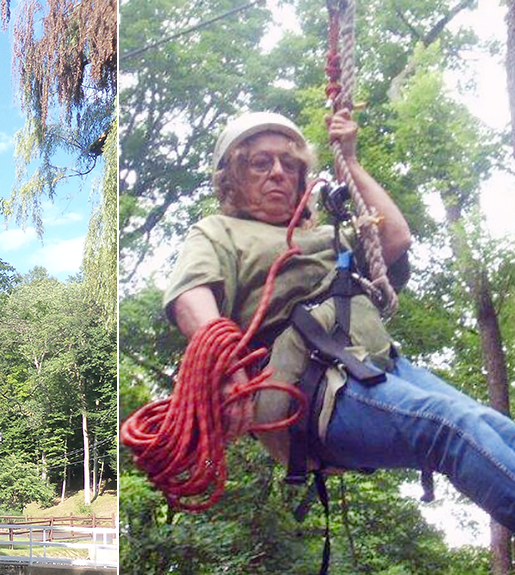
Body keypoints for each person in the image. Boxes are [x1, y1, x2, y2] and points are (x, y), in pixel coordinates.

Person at [163, 108, 515, 533]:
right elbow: (190, 295)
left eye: (289, 164)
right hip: (309, 383)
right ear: (231, 178)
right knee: (447, 427)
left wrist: (348, 160)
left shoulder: (325, 238)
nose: (278, 172)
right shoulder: (218, 232)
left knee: (496, 429)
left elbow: (394, 238)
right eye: (260, 163)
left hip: (375, 364)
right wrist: (227, 362)